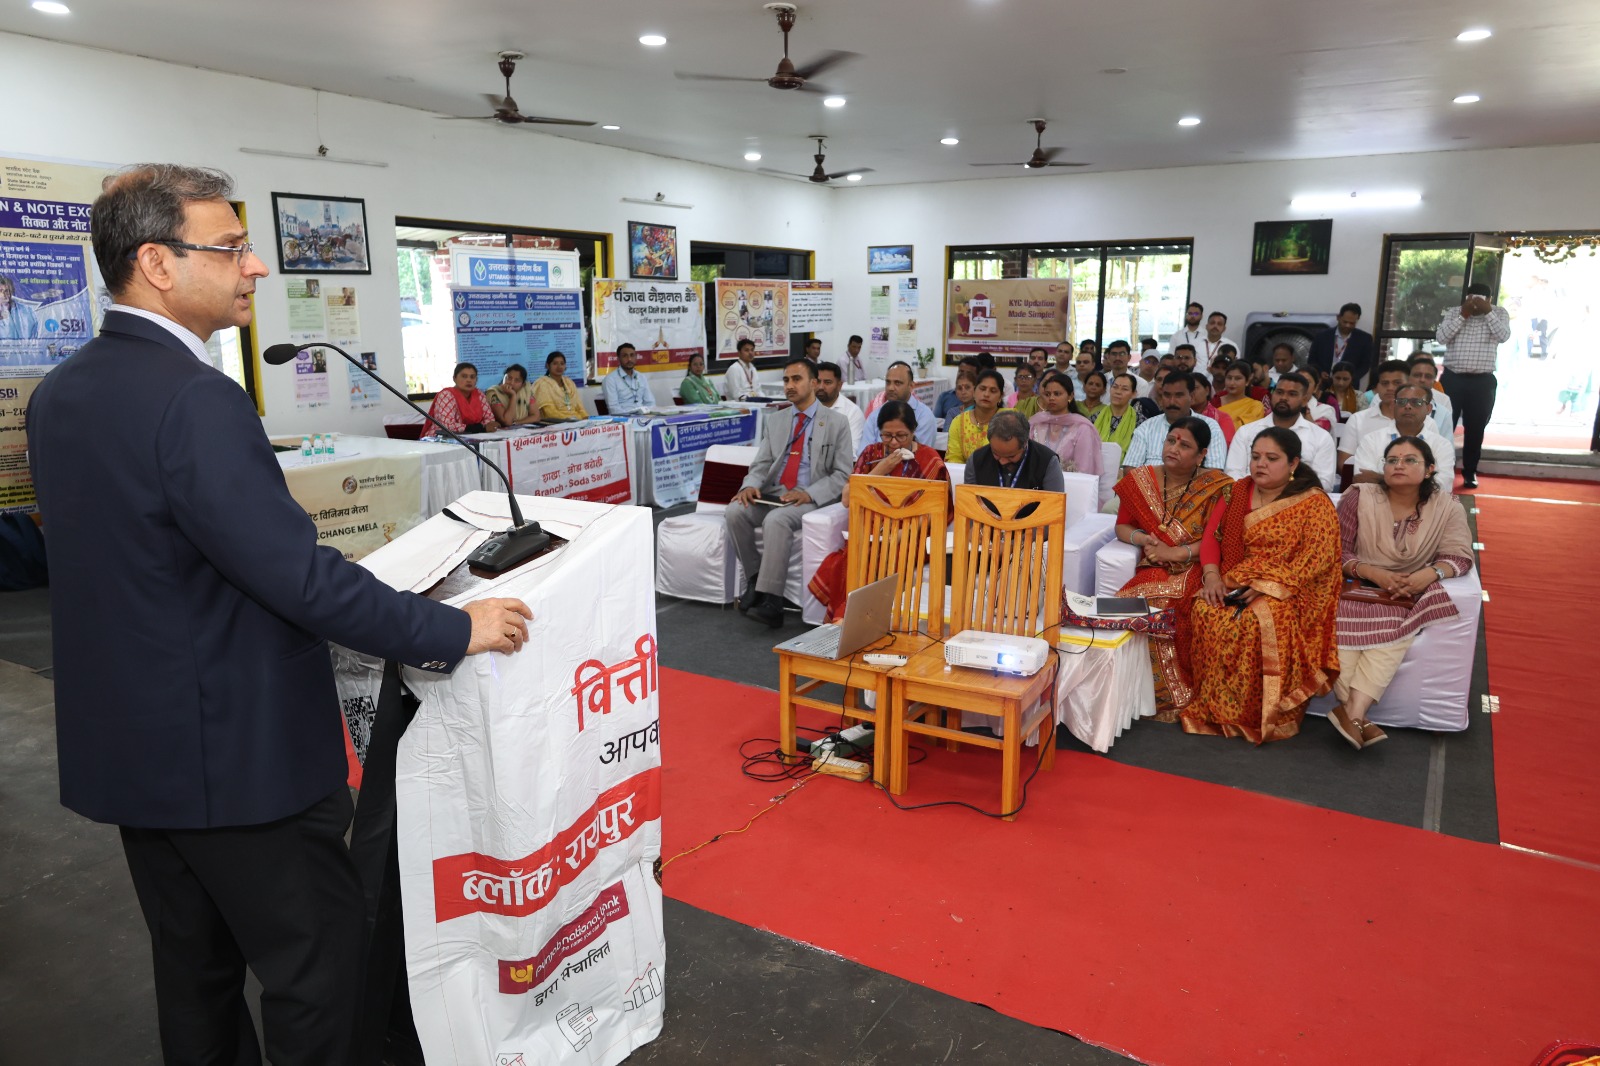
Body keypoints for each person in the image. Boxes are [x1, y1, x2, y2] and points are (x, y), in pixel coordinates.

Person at [25, 163, 532, 1064]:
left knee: (195, 974)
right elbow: (296, 579)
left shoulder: (63, 391)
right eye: (231, 247)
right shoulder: (195, 397)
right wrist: (457, 628)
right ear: (158, 263)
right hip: (238, 756)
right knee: (317, 974)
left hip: (135, 750)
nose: (255, 265)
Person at [1187, 426, 1341, 743]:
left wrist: (1267, 585)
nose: (1261, 464)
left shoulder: (1313, 502)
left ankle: (1259, 714)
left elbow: (1318, 557)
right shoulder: (1236, 491)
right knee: (1206, 608)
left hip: (1290, 587)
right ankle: (1216, 709)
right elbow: (1212, 539)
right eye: (1256, 456)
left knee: (1260, 621)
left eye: (1272, 458)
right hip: (1236, 577)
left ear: (1293, 463)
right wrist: (1212, 577)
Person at [1329, 436, 1474, 749]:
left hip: (1404, 594)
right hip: (1354, 587)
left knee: (1394, 633)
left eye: (1410, 460)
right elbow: (1337, 551)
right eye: (1392, 460)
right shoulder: (1359, 497)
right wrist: (1373, 573)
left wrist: (1429, 574)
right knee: (1340, 636)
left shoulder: (1447, 507)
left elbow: (1459, 556)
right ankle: (1357, 716)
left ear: (1429, 469)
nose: (1399, 465)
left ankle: (1351, 712)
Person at [1109, 416, 1234, 716]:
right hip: (1153, 563)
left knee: (1171, 604)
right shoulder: (1141, 480)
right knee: (1124, 605)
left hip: (1196, 566)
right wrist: (1145, 539)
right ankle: (1128, 691)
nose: (1174, 448)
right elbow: (1122, 527)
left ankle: (1171, 693)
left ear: (1202, 454)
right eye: (1171, 440)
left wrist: (1176, 552)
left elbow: (1215, 538)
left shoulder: (1218, 487)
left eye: (1185, 445)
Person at [726, 357, 854, 627]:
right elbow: (761, 464)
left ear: (814, 383)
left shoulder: (836, 422)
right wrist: (750, 485)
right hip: (775, 493)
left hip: (810, 495)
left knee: (777, 520)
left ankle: (772, 602)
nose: (789, 386)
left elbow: (842, 473)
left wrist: (809, 494)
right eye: (786, 380)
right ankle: (755, 579)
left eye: (796, 379)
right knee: (736, 511)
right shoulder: (776, 420)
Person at [807, 401, 950, 621]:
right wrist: (879, 470)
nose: (894, 443)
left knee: (884, 555)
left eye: (901, 436)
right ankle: (850, 621)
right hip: (872, 528)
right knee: (855, 555)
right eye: (887, 436)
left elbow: (937, 511)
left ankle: (855, 620)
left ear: (913, 431)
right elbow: (847, 498)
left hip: (912, 534)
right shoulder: (871, 453)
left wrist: (901, 534)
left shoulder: (929, 459)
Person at [1226, 371, 1339, 492]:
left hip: (1298, 500)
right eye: (1279, 392)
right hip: (1249, 497)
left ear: (1305, 400)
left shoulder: (1321, 437)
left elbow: (1324, 483)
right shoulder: (1246, 431)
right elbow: (1233, 473)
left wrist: (1281, 492)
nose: (1283, 398)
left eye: (1292, 394)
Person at [1351, 384, 1456, 491]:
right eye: (1401, 402)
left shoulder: (1441, 445)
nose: (1408, 406)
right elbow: (1363, 480)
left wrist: (1380, 479)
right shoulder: (1371, 440)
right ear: (1393, 406)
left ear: (1429, 409)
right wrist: (1419, 481)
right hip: (1377, 501)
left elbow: (1442, 487)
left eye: (1416, 402)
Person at [1122, 373, 1227, 473]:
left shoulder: (1210, 427)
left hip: (1194, 485)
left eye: (1179, 396)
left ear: (1191, 396)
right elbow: (1131, 469)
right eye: (1167, 395)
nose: (1172, 402)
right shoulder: (1146, 427)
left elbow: (1214, 472)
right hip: (1149, 485)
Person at [966, 410, 1064, 492]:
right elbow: (968, 503)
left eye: (1011, 456)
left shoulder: (1047, 462)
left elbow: (1054, 505)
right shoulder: (976, 460)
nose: (1003, 461)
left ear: (1025, 444)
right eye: (996, 454)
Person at [1339, 359, 1410, 469]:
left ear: (1409, 385)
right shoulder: (1357, 420)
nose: (1390, 388)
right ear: (1377, 386)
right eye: (1385, 383)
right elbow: (1343, 464)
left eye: (1397, 383)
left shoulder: (1424, 422)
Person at [1029, 371, 1102, 475]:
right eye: (1047, 394)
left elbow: (1084, 469)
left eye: (1057, 394)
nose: (1051, 398)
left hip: (1071, 482)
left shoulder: (1082, 427)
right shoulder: (1036, 423)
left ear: (1070, 396)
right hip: (1035, 482)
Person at [863, 360, 937, 447]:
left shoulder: (924, 416)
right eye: (888, 382)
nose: (891, 388)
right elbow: (864, 452)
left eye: (897, 383)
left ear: (911, 386)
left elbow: (921, 453)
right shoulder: (875, 416)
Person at [945, 367, 1010, 464]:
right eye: (982, 389)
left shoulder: (1009, 420)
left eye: (993, 391)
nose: (986, 394)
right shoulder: (959, 422)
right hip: (964, 472)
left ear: (1000, 396)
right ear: (974, 392)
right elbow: (953, 458)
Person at [1310, 302, 1376, 387]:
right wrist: (1319, 372)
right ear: (1338, 317)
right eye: (1345, 322)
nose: (1347, 325)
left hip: (1349, 386)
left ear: (1357, 320)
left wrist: (1350, 378)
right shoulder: (1322, 336)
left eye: (1352, 323)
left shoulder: (1365, 339)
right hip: (1324, 384)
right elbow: (1312, 360)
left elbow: (1365, 365)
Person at [427, 361, 499, 435]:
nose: (469, 380)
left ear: (476, 380)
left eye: (472, 377)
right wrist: (479, 428)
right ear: (454, 378)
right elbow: (447, 425)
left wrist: (478, 428)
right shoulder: (446, 395)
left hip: (473, 435)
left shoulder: (479, 395)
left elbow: (490, 420)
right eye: (464, 376)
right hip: (441, 437)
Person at [1093, 372, 1146, 463]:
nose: (1118, 392)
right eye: (1115, 387)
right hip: (1094, 466)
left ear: (1133, 394)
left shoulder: (1140, 422)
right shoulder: (1095, 418)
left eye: (1124, 389)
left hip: (1126, 469)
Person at [816, 360, 866, 452]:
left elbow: (851, 451)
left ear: (839, 385)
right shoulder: (806, 407)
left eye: (827, 382)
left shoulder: (852, 412)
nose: (821, 387)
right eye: (818, 382)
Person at [530, 351, 589, 422]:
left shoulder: (569, 382)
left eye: (562, 363)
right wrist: (571, 420)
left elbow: (579, 406)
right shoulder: (542, 383)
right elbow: (549, 413)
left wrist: (585, 419)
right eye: (555, 363)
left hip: (575, 421)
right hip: (554, 423)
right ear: (547, 365)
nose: (559, 367)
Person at [1406, 353, 1455, 436]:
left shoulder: (1443, 410)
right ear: (1407, 376)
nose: (1422, 380)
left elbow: (1446, 440)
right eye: (1417, 375)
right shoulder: (1395, 401)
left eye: (1428, 376)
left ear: (1434, 380)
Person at [601, 341, 653, 414]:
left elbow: (650, 402)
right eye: (625, 356)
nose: (629, 359)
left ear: (636, 357)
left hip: (643, 416)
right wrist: (632, 416)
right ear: (618, 359)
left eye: (632, 355)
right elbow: (613, 409)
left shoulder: (641, 377)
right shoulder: (610, 380)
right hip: (623, 418)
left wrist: (651, 414)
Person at [1219, 360, 1268, 430]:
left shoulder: (1255, 406)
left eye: (1237, 378)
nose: (1232, 383)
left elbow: (1246, 429)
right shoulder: (1216, 401)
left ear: (1247, 381)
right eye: (1229, 378)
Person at [1189, 374, 1236, 444]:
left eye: (1195, 388)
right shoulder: (1178, 416)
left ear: (1207, 390)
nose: (1190, 393)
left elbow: (1227, 444)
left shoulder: (1222, 418)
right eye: (1187, 389)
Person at [0, 273, 39, 339]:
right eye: (0, 291)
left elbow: (35, 333)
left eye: (7, 291)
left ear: (11, 291)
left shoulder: (26, 311)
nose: (4, 294)